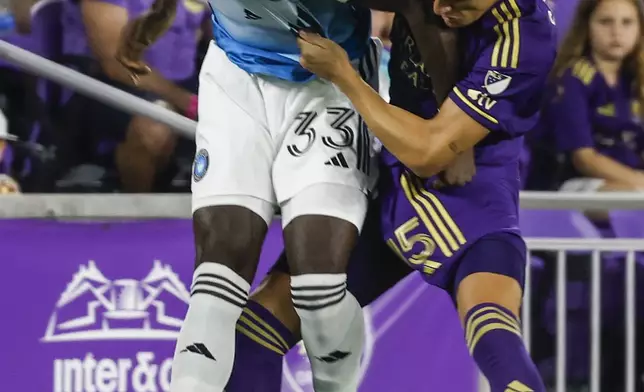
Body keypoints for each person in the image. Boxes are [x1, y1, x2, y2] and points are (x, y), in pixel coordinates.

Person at [220, 0, 557, 390]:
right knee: (256, 329)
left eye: (459, 2)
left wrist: (344, 75)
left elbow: (429, 154)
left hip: (469, 191)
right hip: (387, 177)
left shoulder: (525, 34)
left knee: (495, 333)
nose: (441, 6)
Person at [118, 1, 385, 391]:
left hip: (328, 79)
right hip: (235, 77)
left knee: (318, 291)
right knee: (215, 283)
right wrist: (158, 15)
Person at [62, 0, 204, 192]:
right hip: (112, 89)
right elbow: (117, 64)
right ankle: (137, 211)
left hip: (188, 86)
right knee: (155, 128)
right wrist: (187, 101)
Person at [539, 0, 644, 192]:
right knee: (629, 195)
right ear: (586, 26)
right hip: (570, 184)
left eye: (627, 22)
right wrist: (639, 182)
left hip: (634, 181)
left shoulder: (636, 78)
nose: (617, 32)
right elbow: (584, 159)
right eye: (605, 22)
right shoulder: (571, 79)